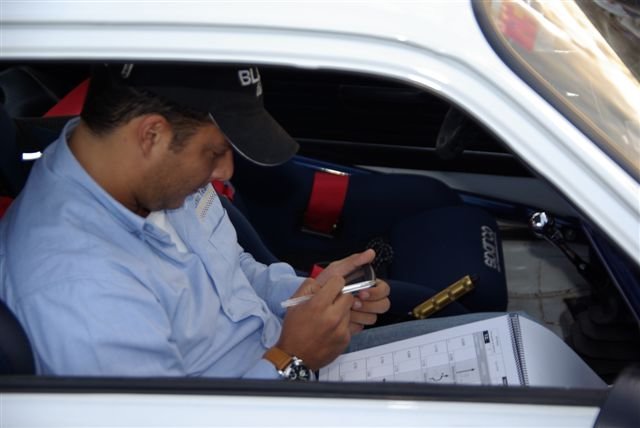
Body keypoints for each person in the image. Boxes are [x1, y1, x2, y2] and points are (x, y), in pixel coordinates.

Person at [0, 64, 495, 379]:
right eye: (214, 152)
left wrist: (310, 298)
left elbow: (235, 272)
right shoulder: (80, 293)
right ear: (151, 135)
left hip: (286, 364)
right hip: (261, 396)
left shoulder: (148, 179)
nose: (226, 173)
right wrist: (292, 359)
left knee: (509, 345)